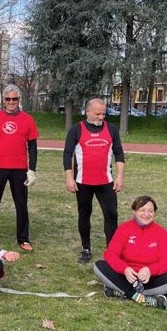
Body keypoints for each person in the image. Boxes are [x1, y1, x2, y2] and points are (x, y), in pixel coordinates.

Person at [63, 98, 125, 264]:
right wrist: (69, 178)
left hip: (106, 181)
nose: (101, 117)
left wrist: (120, 176)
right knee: (84, 214)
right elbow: (67, 154)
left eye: (103, 114)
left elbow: (119, 153)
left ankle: (112, 251)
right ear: (88, 112)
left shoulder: (111, 129)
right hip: (83, 182)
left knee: (111, 215)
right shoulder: (76, 129)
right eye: (97, 114)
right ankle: (86, 248)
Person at [93, 196, 167, 310]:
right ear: (134, 211)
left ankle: (117, 291)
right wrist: (124, 269)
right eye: (142, 210)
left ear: (154, 213)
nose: (146, 214)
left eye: (150, 211)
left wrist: (150, 270)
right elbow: (111, 254)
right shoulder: (124, 228)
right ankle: (141, 298)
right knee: (99, 266)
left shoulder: (161, 232)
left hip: (149, 280)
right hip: (124, 277)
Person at [0, 84, 39, 252]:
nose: (11, 102)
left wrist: (32, 169)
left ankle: (23, 239)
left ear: (19, 100)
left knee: (21, 204)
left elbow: (33, 147)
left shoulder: (28, 119)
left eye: (14, 99)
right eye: (8, 99)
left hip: (19, 169)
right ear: (3, 100)